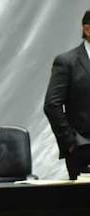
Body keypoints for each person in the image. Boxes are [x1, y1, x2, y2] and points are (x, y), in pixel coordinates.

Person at [44, 11, 90, 180]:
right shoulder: (67, 62)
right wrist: (71, 143)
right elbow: (52, 105)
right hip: (83, 149)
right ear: (87, 29)